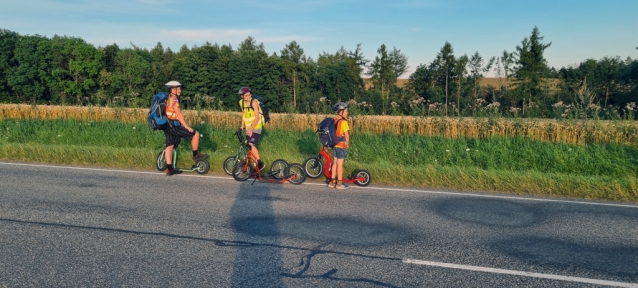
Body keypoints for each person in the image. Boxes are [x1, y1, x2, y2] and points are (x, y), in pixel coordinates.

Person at [163, 80, 208, 176]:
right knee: (195, 134)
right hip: (174, 126)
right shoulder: (174, 100)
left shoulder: (168, 98)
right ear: (172, 89)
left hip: (167, 125)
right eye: (178, 88)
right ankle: (195, 155)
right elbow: (179, 114)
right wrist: (186, 126)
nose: (180, 90)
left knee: (169, 146)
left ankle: (170, 169)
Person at [238, 87, 265, 170]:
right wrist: (242, 126)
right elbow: (243, 114)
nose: (249, 97)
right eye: (246, 96)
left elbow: (257, 118)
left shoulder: (254, 102)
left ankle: (260, 163)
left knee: (250, 144)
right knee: (249, 147)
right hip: (248, 128)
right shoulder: (241, 102)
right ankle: (256, 165)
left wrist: (251, 129)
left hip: (256, 126)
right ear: (242, 96)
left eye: (249, 95)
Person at [328, 102, 350, 189]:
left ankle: (332, 182)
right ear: (341, 112)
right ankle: (339, 184)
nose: (347, 113)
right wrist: (347, 143)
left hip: (335, 145)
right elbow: (346, 135)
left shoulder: (335, 120)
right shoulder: (343, 122)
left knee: (335, 163)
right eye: (346, 111)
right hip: (341, 146)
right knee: (340, 164)